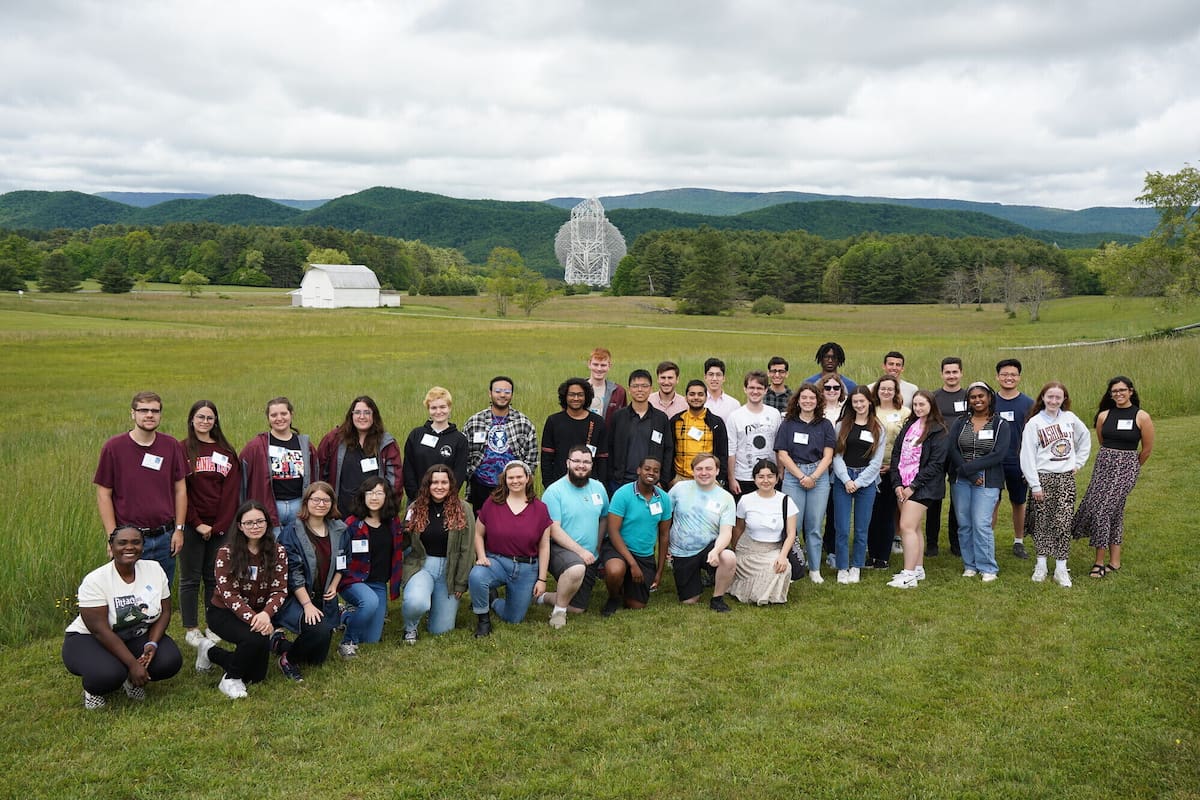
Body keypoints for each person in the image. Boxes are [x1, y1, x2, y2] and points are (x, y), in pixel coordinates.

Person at [62, 526, 183, 710]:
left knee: (168, 661)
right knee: (109, 674)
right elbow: (100, 630)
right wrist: (133, 664)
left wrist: (152, 643)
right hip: (90, 638)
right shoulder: (95, 580)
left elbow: (165, 611)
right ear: (111, 546)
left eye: (136, 542)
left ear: (143, 546)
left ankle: (129, 679)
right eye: (122, 543)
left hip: (134, 634)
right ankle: (94, 690)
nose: (129, 547)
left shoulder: (154, 569)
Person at [195, 501, 289, 699]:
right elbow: (229, 595)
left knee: (256, 676)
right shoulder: (226, 553)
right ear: (239, 526)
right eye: (249, 523)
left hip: (261, 615)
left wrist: (266, 615)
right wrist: (256, 619)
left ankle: (209, 651)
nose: (255, 526)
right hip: (223, 612)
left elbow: (280, 590)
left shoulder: (278, 551)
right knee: (254, 638)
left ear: (267, 523)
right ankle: (231, 678)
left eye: (260, 521)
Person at [94, 391, 188, 582]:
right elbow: (103, 494)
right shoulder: (114, 447)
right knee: (129, 595)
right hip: (129, 539)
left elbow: (181, 490)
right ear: (133, 413)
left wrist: (179, 530)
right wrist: (113, 537)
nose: (149, 415)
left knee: (161, 593)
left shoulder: (171, 446)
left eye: (155, 411)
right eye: (143, 410)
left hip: (165, 538)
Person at [1073, 376, 1155, 577]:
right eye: (1115, 391)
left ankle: (1099, 562)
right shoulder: (1104, 416)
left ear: (1131, 391)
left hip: (1126, 469)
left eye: (1122, 390)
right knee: (1114, 512)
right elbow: (1103, 441)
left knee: (1102, 511)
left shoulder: (1142, 416)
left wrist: (1131, 467)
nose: (1118, 394)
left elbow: (1146, 449)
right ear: (1110, 394)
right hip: (1103, 466)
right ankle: (1115, 562)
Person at [180, 400, 241, 649]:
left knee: (214, 577)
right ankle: (191, 628)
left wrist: (219, 527)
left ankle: (212, 624)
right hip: (191, 524)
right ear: (191, 419)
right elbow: (181, 491)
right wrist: (196, 523)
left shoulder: (226, 451)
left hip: (220, 527)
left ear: (215, 421)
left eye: (209, 418)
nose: (205, 422)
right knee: (190, 578)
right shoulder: (182, 449)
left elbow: (232, 492)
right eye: (200, 417)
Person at [1019, 382, 1091, 587]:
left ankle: (1061, 568)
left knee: (1063, 522)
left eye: (1058, 397)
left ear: (1064, 399)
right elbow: (1027, 455)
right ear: (1042, 397)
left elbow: (1085, 438)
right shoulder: (1034, 423)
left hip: (1065, 479)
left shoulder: (1070, 418)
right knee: (1042, 522)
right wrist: (1035, 485)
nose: (1053, 401)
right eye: (1050, 396)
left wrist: (1078, 462)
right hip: (1042, 478)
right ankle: (1041, 565)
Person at [468, 461, 553, 636]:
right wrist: (481, 556)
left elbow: (544, 546)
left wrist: (542, 579)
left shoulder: (540, 509)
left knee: (514, 618)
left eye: (519, 477)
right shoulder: (492, 503)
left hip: (527, 567)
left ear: (527, 478)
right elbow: (478, 534)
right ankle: (483, 620)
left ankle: (493, 601)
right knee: (477, 575)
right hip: (497, 561)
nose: (515, 481)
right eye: (510, 477)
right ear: (504, 480)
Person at [274, 481, 347, 678]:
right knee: (319, 631)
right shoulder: (291, 532)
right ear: (306, 502)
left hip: (324, 597)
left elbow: (343, 560)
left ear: (332, 503)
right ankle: (287, 660)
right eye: (316, 499)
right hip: (298, 597)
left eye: (326, 500)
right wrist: (307, 605)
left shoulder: (340, 530)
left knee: (316, 659)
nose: (321, 504)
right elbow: (293, 573)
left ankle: (278, 643)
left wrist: (334, 585)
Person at [401, 465, 475, 640]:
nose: (439, 486)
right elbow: (404, 541)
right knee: (416, 602)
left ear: (451, 484)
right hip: (422, 565)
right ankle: (410, 627)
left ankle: (434, 605)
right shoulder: (415, 507)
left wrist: (460, 583)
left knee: (441, 630)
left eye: (444, 482)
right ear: (428, 484)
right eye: (434, 482)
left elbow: (467, 549)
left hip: (449, 570)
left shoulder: (463, 509)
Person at [538, 445, 609, 628]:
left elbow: (604, 518)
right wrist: (581, 551)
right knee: (576, 569)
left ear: (592, 465)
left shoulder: (599, 488)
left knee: (578, 608)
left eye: (586, 462)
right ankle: (559, 612)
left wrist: (598, 545)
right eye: (576, 461)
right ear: (567, 463)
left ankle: (542, 597)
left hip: (590, 555)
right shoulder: (554, 492)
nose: (581, 466)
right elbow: (554, 529)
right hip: (560, 548)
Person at [887, 391, 950, 589]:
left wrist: (913, 486)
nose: (918, 408)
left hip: (923, 487)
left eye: (922, 404)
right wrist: (897, 483)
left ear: (931, 405)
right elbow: (897, 454)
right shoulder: (909, 425)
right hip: (903, 484)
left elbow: (936, 464)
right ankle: (918, 568)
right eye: (915, 404)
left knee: (906, 526)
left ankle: (908, 575)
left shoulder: (939, 430)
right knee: (914, 528)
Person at [948, 382, 1009, 582]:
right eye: (973, 397)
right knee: (964, 524)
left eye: (981, 396)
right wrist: (969, 473)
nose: (977, 400)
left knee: (981, 523)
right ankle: (970, 565)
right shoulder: (960, 422)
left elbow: (998, 454)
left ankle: (988, 567)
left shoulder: (1000, 424)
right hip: (961, 478)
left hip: (988, 478)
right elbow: (952, 449)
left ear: (989, 397)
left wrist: (970, 469)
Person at [775, 383, 836, 583]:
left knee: (815, 525)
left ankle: (815, 569)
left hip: (819, 476)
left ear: (818, 401)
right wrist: (801, 476)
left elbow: (828, 456)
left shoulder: (825, 425)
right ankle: (793, 567)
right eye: (804, 398)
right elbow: (782, 454)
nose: (808, 401)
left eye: (812, 398)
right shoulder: (788, 424)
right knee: (793, 526)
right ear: (798, 400)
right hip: (794, 476)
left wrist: (813, 477)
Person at [601, 457, 672, 616]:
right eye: (647, 469)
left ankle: (625, 585)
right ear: (638, 470)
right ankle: (613, 597)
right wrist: (633, 564)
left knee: (636, 605)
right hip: (618, 547)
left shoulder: (664, 499)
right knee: (615, 570)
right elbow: (613, 531)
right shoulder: (623, 494)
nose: (651, 473)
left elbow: (664, 535)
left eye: (656, 471)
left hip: (644, 554)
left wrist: (659, 571)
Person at [338, 477, 401, 654]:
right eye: (370, 493)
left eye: (379, 493)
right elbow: (340, 555)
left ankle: (346, 616)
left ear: (386, 496)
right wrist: (336, 582)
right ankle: (348, 642)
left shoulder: (393, 522)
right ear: (363, 496)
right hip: (353, 581)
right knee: (369, 602)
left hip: (378, 583)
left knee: (371, 638)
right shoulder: (352, 523)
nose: (374, 497)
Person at [667, 453, 737, 611]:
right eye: (699, 469)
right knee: (689, 601)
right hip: (682, 551)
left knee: (728, 557)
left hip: (710, 547)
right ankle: (701, 579)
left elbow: (726, 532)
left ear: (717, 471)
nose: (704, 473)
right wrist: (666, 546)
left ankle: (717, 598)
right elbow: (665, 518)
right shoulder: (679, 489)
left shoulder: (726, 498)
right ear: (693, 471)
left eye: (708, 469)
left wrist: (716, 550)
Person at [239, 396, 318, 534]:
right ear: (268, 418)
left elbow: (315, 474)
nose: (279, 418)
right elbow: (242, 474)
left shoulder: (304, 444)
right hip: (270, 507)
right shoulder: (257, 445)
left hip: (299, 505)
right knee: (273, 546)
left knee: (298, 545)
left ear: (291, 414)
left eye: (283, 413)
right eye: (274, 415)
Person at [831, 387, 885, 583]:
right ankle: (842, 567)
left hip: (866, 481)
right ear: (851, 403)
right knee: (842, 527)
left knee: (862, 528)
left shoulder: (878, 428)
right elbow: (837, 455)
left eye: (862, 401)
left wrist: (859, 482)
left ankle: (856, 566)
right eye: (855, 402)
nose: (859, 405)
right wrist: (846, 479)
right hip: (843, 479)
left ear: (869, 401)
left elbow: (876, 461)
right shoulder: (841, 425)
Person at [317, 395, 403, 515]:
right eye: (357, 412)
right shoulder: (334, 439)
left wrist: (388, 509)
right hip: (340, 512)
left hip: (374, 513)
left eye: (367, 412)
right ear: (351, 415)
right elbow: (320, 471)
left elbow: (395, 481)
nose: (362, 417)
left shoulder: (386, 443)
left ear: (374, 416)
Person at [464, 376, 539, 514]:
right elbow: (464, 455)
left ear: (512, 395)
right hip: (481, 486)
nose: (502, 395)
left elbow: (531, 459)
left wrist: (522, 483)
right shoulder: (475, 421)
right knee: (481, 524)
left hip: (512, 486)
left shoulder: (523, 423)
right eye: (498, 391)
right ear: (490, 393)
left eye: (507, 392)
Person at [729, 459, 798, 605]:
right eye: (761, 477)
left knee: (783, 566)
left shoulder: (786, 501)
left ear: (777, 479)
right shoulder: (745, 500)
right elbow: (738, 528)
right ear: (754, 479)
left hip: (774, 549)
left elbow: (791, 533)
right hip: (748, 551)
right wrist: (735, 551)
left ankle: (765, 594)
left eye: (770, 476)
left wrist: (782, 556)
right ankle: (750, 591)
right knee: (771, 568)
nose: (765, 480)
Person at [867, 376, 910, 570]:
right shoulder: (869, 411)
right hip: (869, 470)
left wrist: (892, 466)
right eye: (882, 388)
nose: (886, 392)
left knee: (887, 513)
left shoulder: (904, 413)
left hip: (893, 470)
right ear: (877, 390)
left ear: (896, 391)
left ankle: (883, 556)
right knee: (870, 514)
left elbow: (907, 444)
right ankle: (871, 553)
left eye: (890, 389)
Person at [994, 359, 1035, 559]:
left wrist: (1031, 465)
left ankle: (1019, 541)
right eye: (1004, 374)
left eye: (1013, 374)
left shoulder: (1028, 404)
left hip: (1018, 462)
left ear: (1019, 377)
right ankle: (987, 541)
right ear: (997, 377)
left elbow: (1034, 436)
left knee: (1018, 502)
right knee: (992, 501)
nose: (1008, 378)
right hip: (993, 462)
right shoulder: (989, 401)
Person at [607, 368, 673, 491]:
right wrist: (612, 476)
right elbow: (610, 447)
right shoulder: (618, 417)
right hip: (621, 482)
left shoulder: (660, 418)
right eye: (635, 386)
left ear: (651, 389)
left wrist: (663, 480)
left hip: (652, 482)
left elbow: (668, 450)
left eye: (644, 386)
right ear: (629, 389)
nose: (640, 390)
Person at [927, 357, 967, 557]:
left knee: (957, 499)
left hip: (960, 454)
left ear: (961, 373)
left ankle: (956, 543)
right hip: (937, 454)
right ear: (942, 374)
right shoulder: (934, 397)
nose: (951, 376)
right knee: (933, 498)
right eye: (947, 372)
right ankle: (931, 543)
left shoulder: (969, 396)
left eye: (955, 372)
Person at [402, 387, 469, 502]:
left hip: (446, 500)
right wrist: (416, 496)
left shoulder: (459, 439)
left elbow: (459, 473)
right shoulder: (416, 435)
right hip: (417, 499)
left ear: (449, 408)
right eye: (433, 408)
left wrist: (447, 496)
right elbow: (408, 468)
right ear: (428, 409)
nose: (438, 412)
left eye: (442, 407)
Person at [540, 377, 609, 486]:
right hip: (560, 483)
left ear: (586, 396)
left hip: (589, 483)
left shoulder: (598, 422)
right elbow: (546, 457)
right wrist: (549, 484)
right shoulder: (554, 421)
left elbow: (602, 458)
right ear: (565, 396)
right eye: (571, 395)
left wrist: (600, 485)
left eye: (580, 395)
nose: (576, 398)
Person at [727, 370, 783, 496]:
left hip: (769, 476)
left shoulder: (774, 414)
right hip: (744, 477)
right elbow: (731, 450)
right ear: (745, 389)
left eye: (759, 388)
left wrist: (780, 471)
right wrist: (731, 478)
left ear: (766, 390)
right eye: (751, 388)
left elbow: (778, 446)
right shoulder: (735, 416)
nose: (755, 391)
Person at [670, 379, 729, 486]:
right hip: (680, 479)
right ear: (686, 397)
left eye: (700, 394)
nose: (696, 397)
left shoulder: (716, 423)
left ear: (706, 397)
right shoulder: (676, 421)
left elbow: (723, 453)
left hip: (708, 478)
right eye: (692, 394)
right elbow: (669, 451)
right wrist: (670, 478)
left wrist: (720, 479)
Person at [585, 347, 627, 425]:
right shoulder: (577, 388)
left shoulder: (618, 391)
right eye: (595, 364)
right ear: (589, 364)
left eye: (603, 365)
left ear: (609, 366)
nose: (599, 369)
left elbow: (623, 419)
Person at [702, 357, 741, 425]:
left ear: (723, 378)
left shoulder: (734, 404)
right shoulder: (697, 402)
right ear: (705, 377)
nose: (714, 378)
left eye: (718, 375)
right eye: (711, 374)